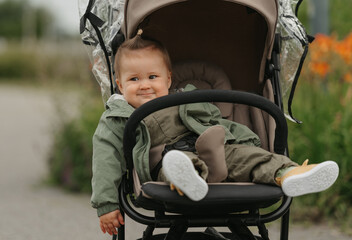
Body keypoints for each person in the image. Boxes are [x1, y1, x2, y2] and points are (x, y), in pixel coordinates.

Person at [91, 30, 339, 236]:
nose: (144, 85)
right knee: (176, 164)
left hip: (213, 146)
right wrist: (107, 204)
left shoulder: (187, 101)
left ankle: (289, 173)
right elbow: (106, 157)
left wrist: (247, 142)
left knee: (246, 155)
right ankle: (191, 178)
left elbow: (221, 124)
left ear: (168, 79)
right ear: (120, 85)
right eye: (134, 79)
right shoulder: (119, 116)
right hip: (166, 158)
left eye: (152, 77)